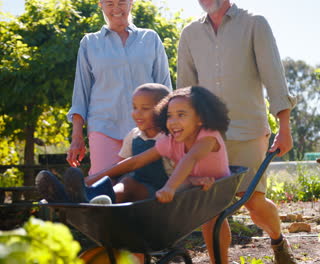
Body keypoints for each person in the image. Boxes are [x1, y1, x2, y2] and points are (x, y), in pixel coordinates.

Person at [176, 1, 297, 263]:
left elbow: (274, 77)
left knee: (254, 203)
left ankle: (277, 240)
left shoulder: (254, 24)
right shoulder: (190, 33)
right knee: (209, 211)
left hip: (248, 130)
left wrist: (284, 126)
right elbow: (185, 89)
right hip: (207, 137)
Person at [85, 86, 232, 264]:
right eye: (169, 115)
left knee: (213, 221)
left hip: (215, 188)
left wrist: (170, 187)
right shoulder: (170, 141)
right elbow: (136, 161)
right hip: (187, 185)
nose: (173, 121)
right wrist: (95, 177)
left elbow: (191, 159)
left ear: (201, 118)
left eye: (181, 115)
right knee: (133, 191)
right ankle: (87, 193)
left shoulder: (208, 137)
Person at [66, 0, 172, 178]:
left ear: (131, 3)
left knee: (145, 183)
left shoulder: (150, 38)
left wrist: (168, 128)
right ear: (101, 5)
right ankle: (73, 193)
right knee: (103, 182)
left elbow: (165, 88)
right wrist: (77, 137)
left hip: (147, 129)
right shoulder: (89, 43)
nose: (116, 9)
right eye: (109, 3)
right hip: (104, 126)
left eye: (121, 2)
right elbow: (80, 94)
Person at [36, 83, 171, 204]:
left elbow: (133, 164)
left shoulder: (169, 138)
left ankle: (78, 196)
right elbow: (121, 168)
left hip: (158, 192)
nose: (137, 113)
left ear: (163, 111)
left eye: (145, 108)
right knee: (118, 183)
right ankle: (74, 197)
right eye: (134, 107)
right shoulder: (133, 136)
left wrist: (88, 180)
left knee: (128, 183)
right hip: (132, 188)